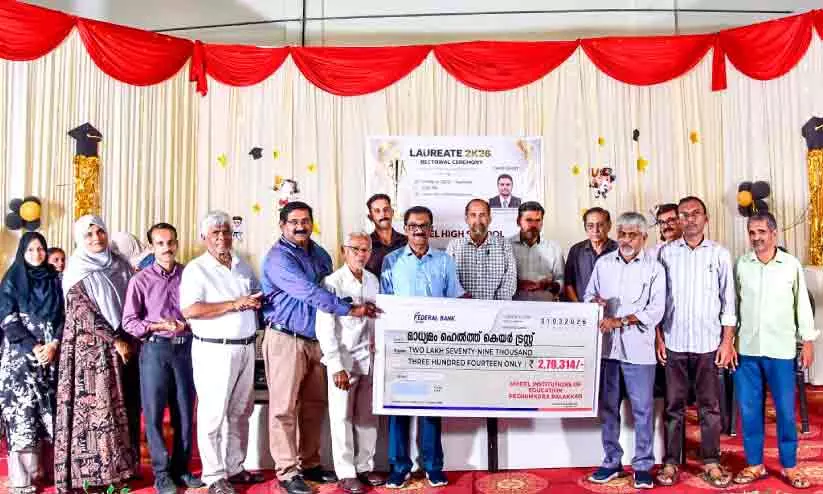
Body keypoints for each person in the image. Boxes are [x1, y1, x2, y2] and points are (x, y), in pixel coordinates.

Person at [260, 201, 378, 494]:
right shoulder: (278, 258)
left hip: (316, 341)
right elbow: (311, 292)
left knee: (314, 406)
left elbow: (326, 296)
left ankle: (310, 463)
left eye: (305, 221)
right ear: (282, 226)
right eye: (294, 222)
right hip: (286, 338)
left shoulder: (321, 254)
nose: (300, 226)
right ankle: (287, 472)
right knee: (284, 409)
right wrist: (349, 309)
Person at [732, 212, 818, 490]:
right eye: (752, 232)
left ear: (774, 233)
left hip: (781, 351)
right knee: (749, 410)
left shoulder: (790, 265)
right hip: (747, 350)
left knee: (785, 411)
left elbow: (801, 305)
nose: (756, 237)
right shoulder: (742, 264)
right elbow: (733, 306)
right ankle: (754, 464)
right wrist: (729, 342)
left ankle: (790, 465)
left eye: (761, 232)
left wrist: (808, 341)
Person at [179, 211, 264, 494]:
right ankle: (214, 476)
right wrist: (233, 304)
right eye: (215, 233)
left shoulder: (242, 265)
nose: (222, 237)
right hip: (214, 349)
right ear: (204, 237)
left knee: (241, 411)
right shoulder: (196, 269)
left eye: (226, 232)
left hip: (246, 346)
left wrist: (255, 301)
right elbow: (190, 310)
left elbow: (255, 295)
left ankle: (235, 468)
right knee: (213, 415)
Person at [656, 196, 737, 488]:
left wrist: (727, 342)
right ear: (678, 219)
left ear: (706, 218)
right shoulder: (664, 253)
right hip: (674, 342)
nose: (689, 219)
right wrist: (658, 338)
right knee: (673, 407)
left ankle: (711, 460)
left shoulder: (719, 254)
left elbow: (729, 301)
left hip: (708, 344)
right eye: (684, 214)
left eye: (695, 214)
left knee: (709, 407)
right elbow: (656, 300)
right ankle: (671, 462)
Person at [381, 206, 464, 489]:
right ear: (405, 228)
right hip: (400, 345)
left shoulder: (444, 261)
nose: (419, 230)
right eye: (413, 226)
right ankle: (399, 468)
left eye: (424, 225)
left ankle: (433, 466)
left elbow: (453, 303)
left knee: (431, 406)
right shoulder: (391, 261)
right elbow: (384, 304)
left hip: (434, 346)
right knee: (398, 408)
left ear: (431, 229)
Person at [54, 215, 138, 492]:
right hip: (90, 353)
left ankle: (122, 468)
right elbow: (82, 312)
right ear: (80, 239)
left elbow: (132, 302)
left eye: (100, 231)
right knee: (94, 411)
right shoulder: (77, 269)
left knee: (121, 407)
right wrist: (115, 340)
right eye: (88, 234)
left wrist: (127, 337)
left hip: (123, 346)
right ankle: (93, 474)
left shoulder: (120, 264)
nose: (96, 238)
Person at [584, 212, 665, 490]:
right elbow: (588, 296)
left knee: (643, 410)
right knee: (608, 409)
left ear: (644, 237)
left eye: (632, 235)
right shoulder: (603, 264)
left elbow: (656, 311)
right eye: (622, 234)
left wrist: (620, 320)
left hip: (639, 352)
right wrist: (594, 303)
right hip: (608, 351)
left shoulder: (655, 269)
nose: (626, 240)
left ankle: (642, 466)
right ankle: (611, 462)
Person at [122, 223, 203, 494]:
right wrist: (157, 326)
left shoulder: (190, 275)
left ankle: (182, 470)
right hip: (154, 351)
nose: (166, 248)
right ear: (152, 247)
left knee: (185, 413)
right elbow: (129, 322)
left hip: (185, 350)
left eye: (170, 242)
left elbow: (200, 312)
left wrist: (185, 325)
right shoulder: (140, 280)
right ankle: (161, 474)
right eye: (160, 243)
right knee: (154, 414)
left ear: (176, 243)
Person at [316, 232, 385, 494]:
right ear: (344, 251)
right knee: (341, 417)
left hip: (369, 357)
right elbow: (325, 327)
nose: (360, 254)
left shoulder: (373, 280)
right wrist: (335, 365)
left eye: (365, 249)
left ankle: (365, 466)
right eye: (355, 249)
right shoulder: (332, 282)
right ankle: (346, 472)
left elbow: (378, 318)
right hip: (343, 360)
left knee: (367, 416)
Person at [0, 233, 64, 494]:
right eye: (30, 250)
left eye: (40, 249)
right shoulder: (12, 279)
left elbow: (62, 317)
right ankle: (21, 480)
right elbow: (8, 320)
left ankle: (44, 472)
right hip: (20, 359)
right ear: (22, 253)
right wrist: (34, 347)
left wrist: (53, 345)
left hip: (50, 358)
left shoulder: (54, 279)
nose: (37, 254)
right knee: (22, 415)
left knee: (48, 413)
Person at [447, 198, 516, 300]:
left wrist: (495, 305)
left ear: (489, 219)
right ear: (466, 219)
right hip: (463, 307)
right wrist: (463, 302)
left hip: (496, 307)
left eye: (482, 215)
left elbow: (510, 280)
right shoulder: (454, 246)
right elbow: (449, 281)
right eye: (473, 215)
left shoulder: (504, 245)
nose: (478, 220)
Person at [508, 201, 564, 301]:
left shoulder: (554, 248)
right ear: (518, 221)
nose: (533, 225)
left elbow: (561, 279)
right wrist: (516, 284)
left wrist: (551, 285)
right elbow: (497, 279)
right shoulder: (506, 246)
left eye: (538, 220)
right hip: (514, 306)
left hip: (546, 306)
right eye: (529, 220)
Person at [564, 207, 618, 302]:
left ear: (609, 226)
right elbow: (568, 283)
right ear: (585, 228)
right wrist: (578, 306)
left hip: (612, 308)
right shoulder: (576, 250)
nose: (595, 230)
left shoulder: (619, 250)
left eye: (600, 225)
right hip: (582, 307)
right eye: (590, 226)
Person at [365, 193, 406, 277]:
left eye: (386, 209)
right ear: (370, 217)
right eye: (377, 211)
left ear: (392, 212)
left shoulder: (407, 242)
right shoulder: (365, 244)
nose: (383, 214)